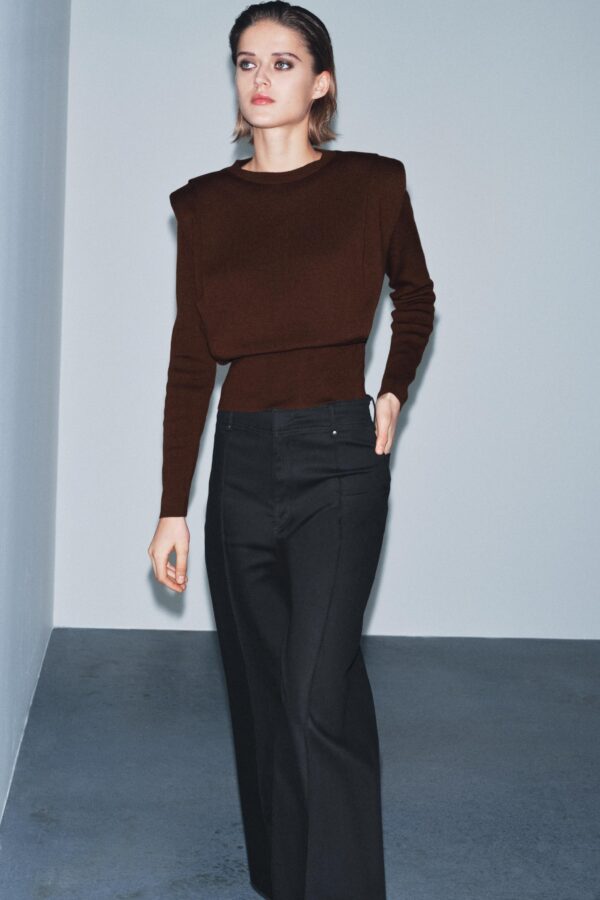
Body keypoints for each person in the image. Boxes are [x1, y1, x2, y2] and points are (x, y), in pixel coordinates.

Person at [148, 2, 436, 897]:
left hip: (339, 459)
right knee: (265, 690)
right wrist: (171, 506)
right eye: (247, 62)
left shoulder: (373, 185)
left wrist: (393, 389)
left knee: (318, 690)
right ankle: (284, 881)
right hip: (240, 461)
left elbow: (417, 295)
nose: (262, 78)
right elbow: (191, 357)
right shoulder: (203, 205)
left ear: (322, 83)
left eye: (283, 62)